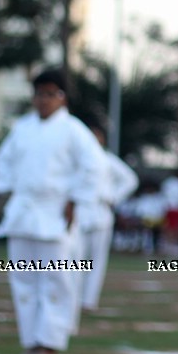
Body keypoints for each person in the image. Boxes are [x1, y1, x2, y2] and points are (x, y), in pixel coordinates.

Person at [0, 70, 104, 354]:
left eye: (50, 94)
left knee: (57, 278)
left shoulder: (73, 129)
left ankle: (50, 343)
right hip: (23, 210)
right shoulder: (23, 127)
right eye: (39, 94)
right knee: (24, 280)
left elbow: (93, 167)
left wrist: (75, 200)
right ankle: (31, 340)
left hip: (56, 210)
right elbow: (3, 160)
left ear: (62, 97)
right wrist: (5, 193)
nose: (43, 100)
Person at [70, 120, 139, 333]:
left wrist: (114, 197)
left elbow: (130, 179)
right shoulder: (75, 160)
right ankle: (74, 297)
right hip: (80, 211)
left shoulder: (108, 159)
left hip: (101, 211)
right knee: (75, 259)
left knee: (97, 260)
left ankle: (89, 301)